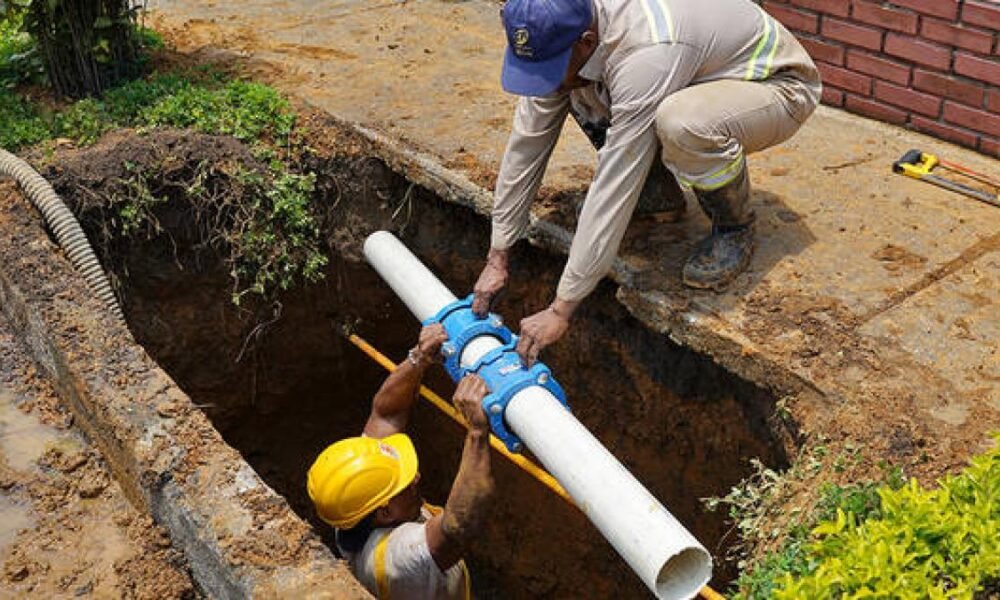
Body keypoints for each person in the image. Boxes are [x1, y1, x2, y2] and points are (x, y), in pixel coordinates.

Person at [472, 0, 821, 365]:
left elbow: (615, 184)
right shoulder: (562, 32)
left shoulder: (645, 53)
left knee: (683, 123)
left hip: (774, 84)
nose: (547, 80)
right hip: (691, 69)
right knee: (576, 86)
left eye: (551, 67)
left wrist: (561, 309)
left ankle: (734, 226)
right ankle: (658, 199)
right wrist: (498, 255)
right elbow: (526, 147)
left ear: (586, 41)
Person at [307, 324, 494, 599]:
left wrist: (419, 357)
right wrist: (478, 432)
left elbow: (385, 414)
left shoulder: (352, 506)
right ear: (384, 513)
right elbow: (458, 527)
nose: (416, 478)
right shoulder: (397, 560)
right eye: (404, 483)